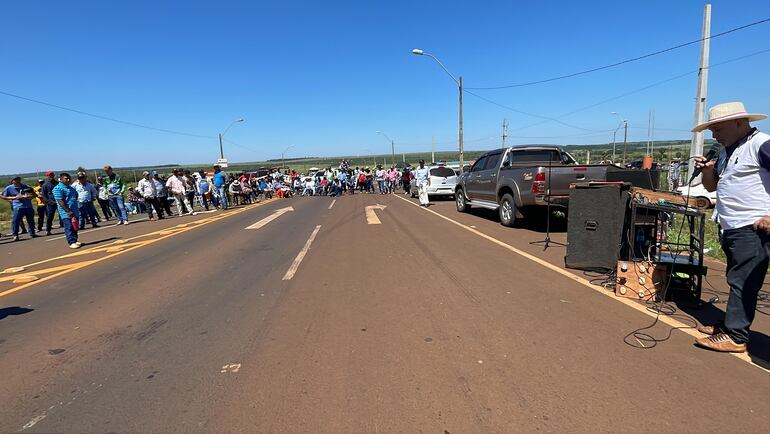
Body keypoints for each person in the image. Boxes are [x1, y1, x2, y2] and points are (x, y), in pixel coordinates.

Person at [692, 102, 770, 353]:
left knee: (743, 281)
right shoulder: (726, 151)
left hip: (752, 227)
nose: (714, 134)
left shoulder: (761, 144)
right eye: (712, 130)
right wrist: (708, 170)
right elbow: (712, 187)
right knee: (736, 279)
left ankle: (736, 336)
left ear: (740, 123)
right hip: (732, 226)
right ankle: (730, 325)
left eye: (718, 128)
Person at [1, 176, 38, 241]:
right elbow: (3, 196)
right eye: (16, 179)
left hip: (28, 206)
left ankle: (32, 233)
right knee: (16, 221)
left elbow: (35, 195)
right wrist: (14, 198)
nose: (18, 180)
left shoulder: (26, 186)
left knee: (31, 220)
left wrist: (30, 197)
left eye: (19, 179)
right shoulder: (9, 188)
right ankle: (15, 235)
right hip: (18, 206)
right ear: (12, 181)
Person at [52, 173, 81, 249]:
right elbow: (60, 201)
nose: (68, 180)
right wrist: (68, 211)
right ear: (61, 179)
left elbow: (76, 195)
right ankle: (71, 241)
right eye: (66, 178)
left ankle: (75, 239)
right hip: (66, 212)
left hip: (75, 210)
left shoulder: (71, 188)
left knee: (75, 226)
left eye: (69, 178)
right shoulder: (58, 188)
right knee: (69, 226)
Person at [40, 170, 60, 235]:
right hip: (51, 203)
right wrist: (48, 202)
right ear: (47, 176)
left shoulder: (58, 183)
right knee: (50, 216)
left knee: (63, 215)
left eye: (52, 175)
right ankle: (48, 230)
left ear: (53, 175)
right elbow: (44, 195)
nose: (51, 176)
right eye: (49, 175)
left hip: (59, 201)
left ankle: (66, 226)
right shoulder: (45, 185)